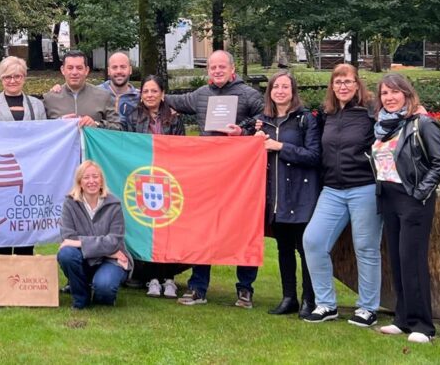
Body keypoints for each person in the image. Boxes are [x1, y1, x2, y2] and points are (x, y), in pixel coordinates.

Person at [166, 50, 264, 308]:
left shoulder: (248, 94)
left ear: (232, 69)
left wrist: (242, 129)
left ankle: (245, 289)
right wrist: (140, 95)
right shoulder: (201, 94)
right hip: (207, 174)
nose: (217, 71)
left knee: (243, 228)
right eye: (212, 67)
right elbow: (166, 99)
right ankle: (198, 287)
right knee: (203, 228)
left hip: (239, 176)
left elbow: (267, 115)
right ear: (207, 70)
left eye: (222, 66)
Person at [302, 63, 381, 327]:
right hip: (333, 190)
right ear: (332, 87)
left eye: (347, 82)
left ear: (357, 84)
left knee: (366, 248)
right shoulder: (328, 114)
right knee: (313, 241)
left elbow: (397, 119)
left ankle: (368, 308)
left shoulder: (370, 112)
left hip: (365, 188)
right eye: (337, 82)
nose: (342, 87)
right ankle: (326, 304)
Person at [372, 74, 440, 344]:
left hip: (412, 200)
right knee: (396, 261)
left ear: (406, 93)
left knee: (412, 262)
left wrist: (418, 193)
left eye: (395, 92)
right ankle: (402, 318)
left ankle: (423, 325)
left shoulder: (422, 123)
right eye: (384, 94)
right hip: (388, 199)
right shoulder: (383, 126)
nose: (389, 98)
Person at [247, 71, 321, 317]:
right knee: (284, 249)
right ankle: (288, 297)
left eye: (285, 87)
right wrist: (251, 139)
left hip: (300, 194)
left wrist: (280, 147)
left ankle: (309, 298)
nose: (280, 91)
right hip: (275, 196)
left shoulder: (305, 119)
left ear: (293, 91)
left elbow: (313, 156)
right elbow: (246, 149)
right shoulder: (262, 121)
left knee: (305, 248)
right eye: (275, 87)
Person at [125, 75, 186, 299]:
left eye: (153, 91)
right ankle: (151, 277)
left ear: (162, 93)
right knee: (146, 228)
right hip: (143, 179)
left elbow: (182, 147)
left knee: (168, 229)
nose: (149, 95)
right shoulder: (132, 117)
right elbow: (126, 146)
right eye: (145, 91)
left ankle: (169, 278)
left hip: (168, 179)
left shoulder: (174, 117)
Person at [0, 55, 46, 256]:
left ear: (24, 78)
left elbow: (43, 137)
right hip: (3, 174)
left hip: (30, 173)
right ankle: (3, 272)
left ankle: (24, 266)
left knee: (25, 221)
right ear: (1, 78)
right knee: (3, 223)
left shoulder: (36, 104)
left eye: (17, 76)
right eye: (7, 77)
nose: (12, 81)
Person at [57, 160, 132, 309]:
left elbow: (114, 241)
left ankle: (97, 287)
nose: (91, 181)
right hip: (104, 256)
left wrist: (80, 243)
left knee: (104, 290)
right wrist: (109, 252)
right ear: (80, 182)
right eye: (86, 177)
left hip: (111, 261)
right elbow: (68, 236)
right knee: (66, 254)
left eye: (95, 177)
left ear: (101, 180)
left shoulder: (114, 204)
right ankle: (81, 299)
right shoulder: (70, 203)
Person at [42, 50, 120, 129]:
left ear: (86, 70)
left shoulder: (104, 96)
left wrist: (97, 124)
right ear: (63, 70)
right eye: (70, 68)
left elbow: (118, 128)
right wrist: (59, 122)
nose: (74, 72)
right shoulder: (49, 99)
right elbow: (41, 130)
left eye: (79, 68)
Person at [100, 50, 140, 127]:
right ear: (108, 71)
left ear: (130, 70)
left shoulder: (139, 98)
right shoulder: (96, 93)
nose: (119, 71)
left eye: (123, 67)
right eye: (114, 67)